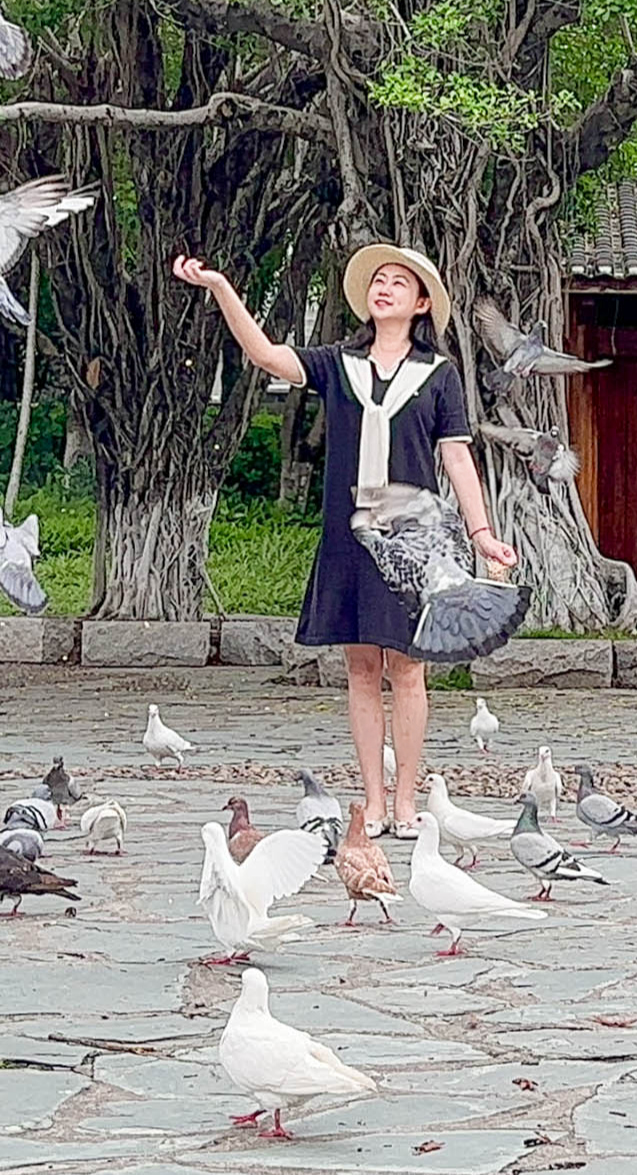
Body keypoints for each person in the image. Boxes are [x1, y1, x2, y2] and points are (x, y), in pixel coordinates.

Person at [172, 241, 512, 838]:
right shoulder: (337, 364)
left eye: (398, 284)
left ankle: (406, 804)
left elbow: (456, 457)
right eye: (377, 281)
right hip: (348, 537)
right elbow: (267, 356)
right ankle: (373, 803)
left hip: (412, 540)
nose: (383, 289)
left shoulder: (439, 376)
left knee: (408, 669)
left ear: (422, 303)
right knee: (360, 668)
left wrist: (482, 533)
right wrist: (222, 288)